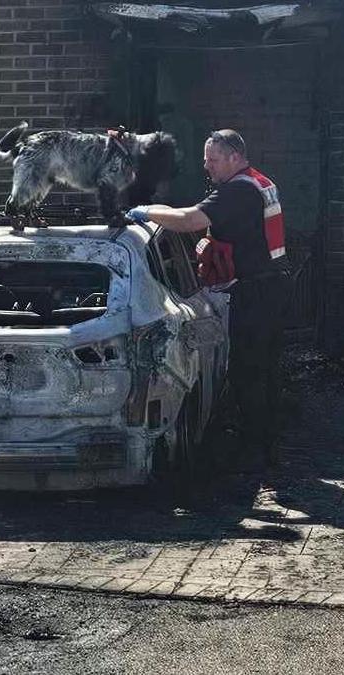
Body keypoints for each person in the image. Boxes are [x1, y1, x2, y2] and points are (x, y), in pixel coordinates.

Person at [126, 129, 290, 469]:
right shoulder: (262, 182)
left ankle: (255, 450)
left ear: (234, 157)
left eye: (213, 160)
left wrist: (148, 211)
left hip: (256, 291)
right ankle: (269, 442)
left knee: (248, 370)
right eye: (205, 160)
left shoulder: (239, 191)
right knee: (267, 369)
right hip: (272, 286)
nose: (207, 167)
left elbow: (189, 220)